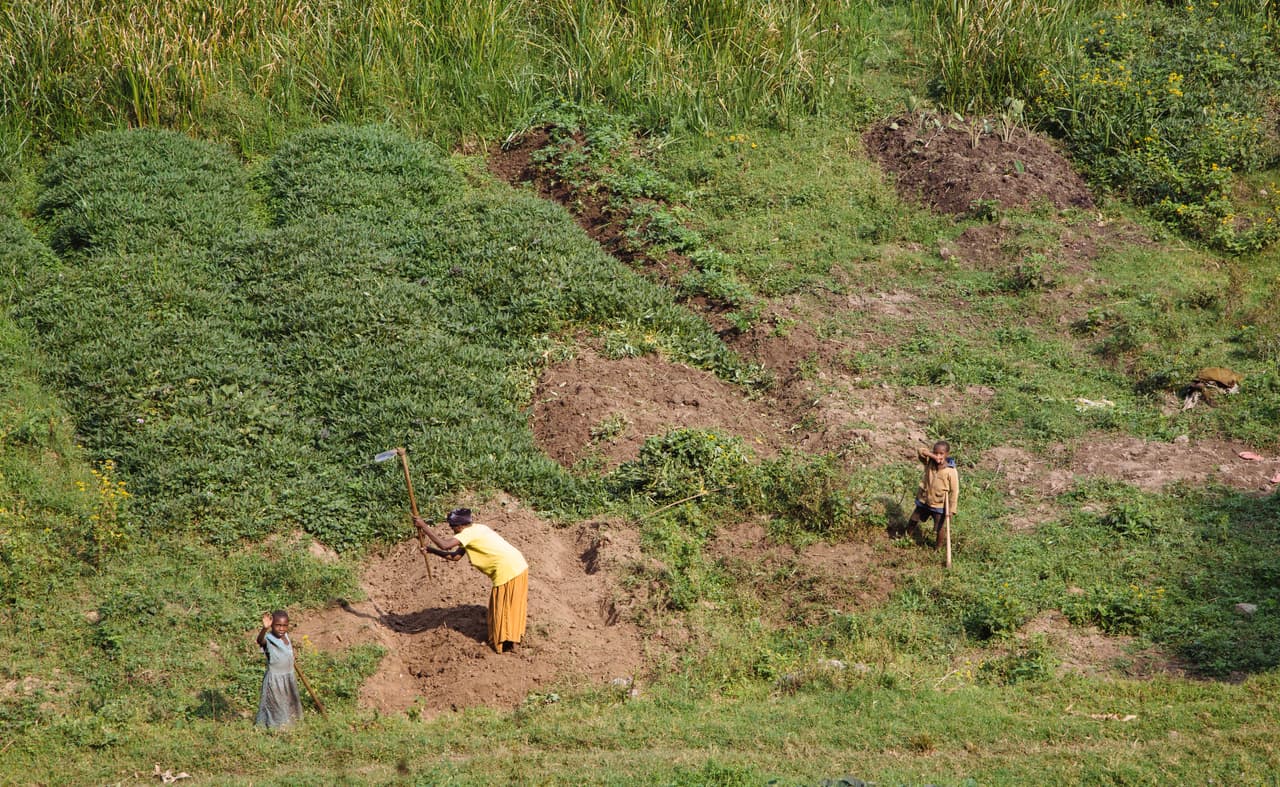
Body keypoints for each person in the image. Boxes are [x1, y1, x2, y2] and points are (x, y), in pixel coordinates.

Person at [415, 508, 529, 654]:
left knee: (502, 610)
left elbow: (445, 545)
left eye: (452, 527)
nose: (453, 530)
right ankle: (512, 641)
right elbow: (455, 557)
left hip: (508, 570)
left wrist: (423, 526)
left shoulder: (467, 533)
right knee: (511, 608)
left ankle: (505, 646)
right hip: (518, 565)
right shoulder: (478, 528)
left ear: (460, 525)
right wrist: (431, 550)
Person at [898, 440, 959, 550]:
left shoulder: (951, 471)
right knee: (913, 519)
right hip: (924, 500)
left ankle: (938, 548)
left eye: (941, 454)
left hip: (939, 504)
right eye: (936, 453)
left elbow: (955, 491)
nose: (938, 456)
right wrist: (933, 456)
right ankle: (906, 538)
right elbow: (921, 451)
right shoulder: (929, 462)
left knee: (939, 528)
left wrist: (951, 509)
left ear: (947, 454)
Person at [255, 610, 304, 728]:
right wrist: (264, 629)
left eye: (284, 626)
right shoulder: (269, 639)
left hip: (288, 676)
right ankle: (275, 727)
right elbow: (260, 641)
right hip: (275, 679)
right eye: (278, 625)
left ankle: (291, 723)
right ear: (272, 625)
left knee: (289, 701)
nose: (281, 629)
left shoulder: (286, 636)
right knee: (276, 703)